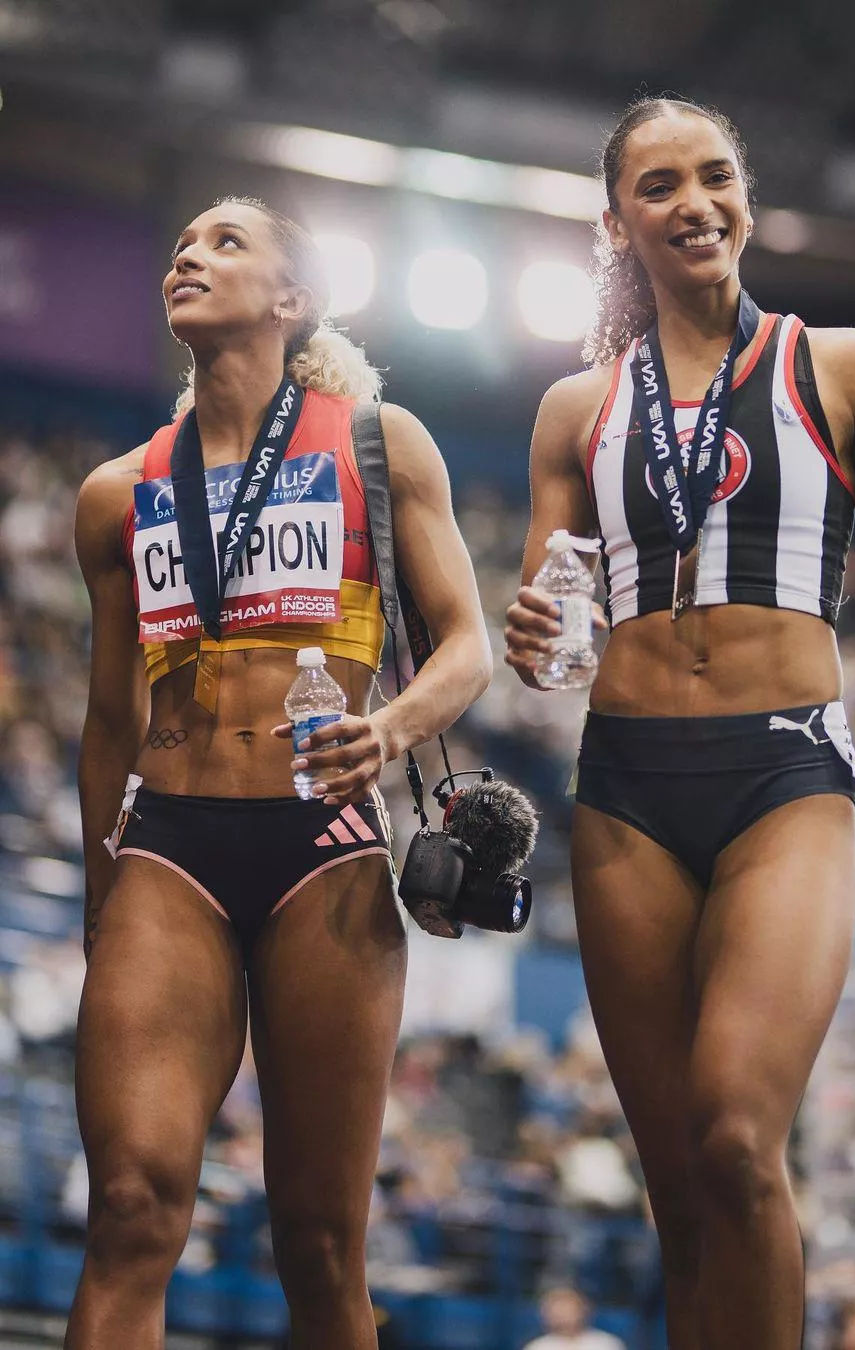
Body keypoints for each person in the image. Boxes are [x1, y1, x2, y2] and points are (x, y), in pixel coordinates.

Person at [504, 95, 855, 1350]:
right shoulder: (575, 411)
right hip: (626, 789)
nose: (694, 203)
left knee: (741, 1137)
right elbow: (554, 630)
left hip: (785, 779)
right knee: (682, 1193)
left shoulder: (848, 367)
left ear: (746, 197)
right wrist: (536, 639)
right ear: (616, 222)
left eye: (716, 177)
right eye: (659, 186)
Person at [71, 196, 491, 1350]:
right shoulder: (118, 492)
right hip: (168, 848)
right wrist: (102, 891)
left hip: (325, 852)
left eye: (225, 243)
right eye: (180, 244)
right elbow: (108, 719)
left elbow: (469, 645)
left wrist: (394, 727)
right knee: (129, 1210)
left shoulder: (377, 441)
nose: (188, 256)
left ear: (293, 300)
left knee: (318, 1245)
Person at [523, 1286, 627, 1350]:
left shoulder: (607, 1344)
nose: (563, 1315)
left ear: (584, 1309)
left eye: (568, 1307)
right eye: (557, 1309)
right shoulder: (538, 1347)